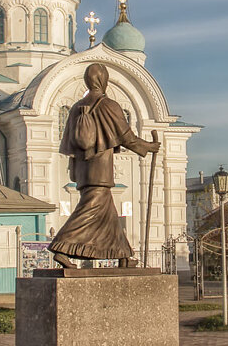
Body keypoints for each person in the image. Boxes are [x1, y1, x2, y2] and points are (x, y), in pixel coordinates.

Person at [49, 63, 160, 268]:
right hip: (99, 170)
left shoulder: (75, 108)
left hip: (83, 172)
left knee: (110, 216)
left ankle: (123, 256)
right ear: (104, 80)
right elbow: (126, 137)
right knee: (88, 211)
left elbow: (71, 144)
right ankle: (61, 248)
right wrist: (149, 147)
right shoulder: (108, 105)